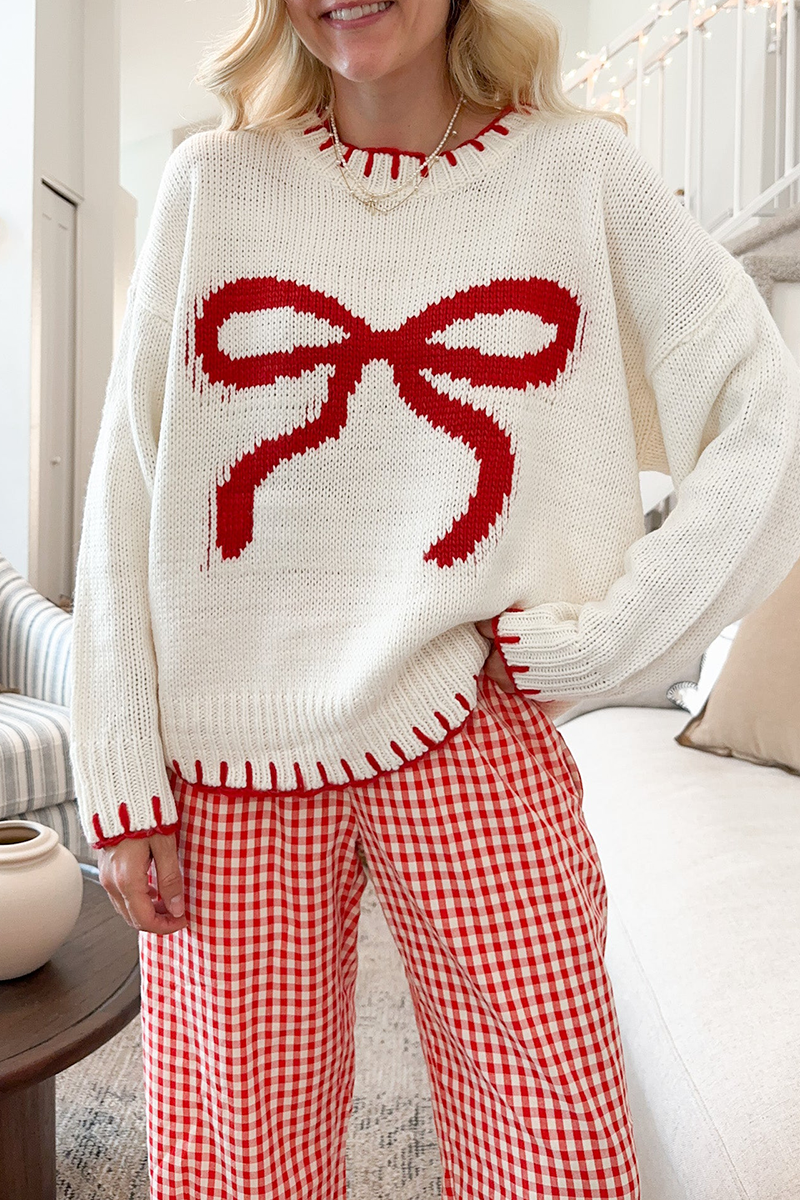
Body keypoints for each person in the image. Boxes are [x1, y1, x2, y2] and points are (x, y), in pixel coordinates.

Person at [67, 0, 800, 1197]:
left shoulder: (578, 173)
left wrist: (610, 640)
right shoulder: (211, 185)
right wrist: (121, 771)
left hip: (476, 719)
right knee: (238, 1168)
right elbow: (127, 492)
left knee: (552, 1145)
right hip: (230, 750)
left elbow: (763, 416)